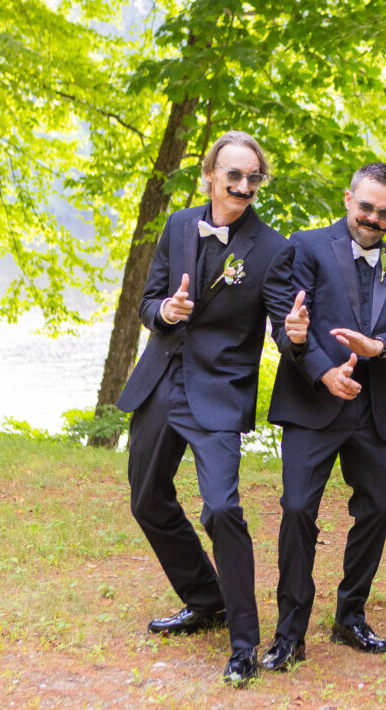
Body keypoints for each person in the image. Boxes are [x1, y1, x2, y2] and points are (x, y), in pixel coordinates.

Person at [116, 131, 308, 687]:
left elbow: (282, 328)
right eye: (234, 175)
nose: (244, 185)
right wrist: (166, 311)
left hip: (219, 391)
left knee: (221, 509)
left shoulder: (273, 249)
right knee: (147, 499)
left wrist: (297, 338)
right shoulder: (178, 225)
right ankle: (206, 599)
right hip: (160, 382)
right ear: (210, 175)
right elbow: (150, 302)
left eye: (253, 177)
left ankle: (244, 642)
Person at [263, 162, 386, 670]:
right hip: (313, 404)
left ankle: (350, 614)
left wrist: (379, 346)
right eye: (366, 207)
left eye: (385, 213)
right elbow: (288, 323)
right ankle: (290, 631)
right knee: (297, 511)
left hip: (373, 412)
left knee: (377, 510)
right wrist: (322, 370)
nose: (374, 219)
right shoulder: (306, 247)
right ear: (347, 199)